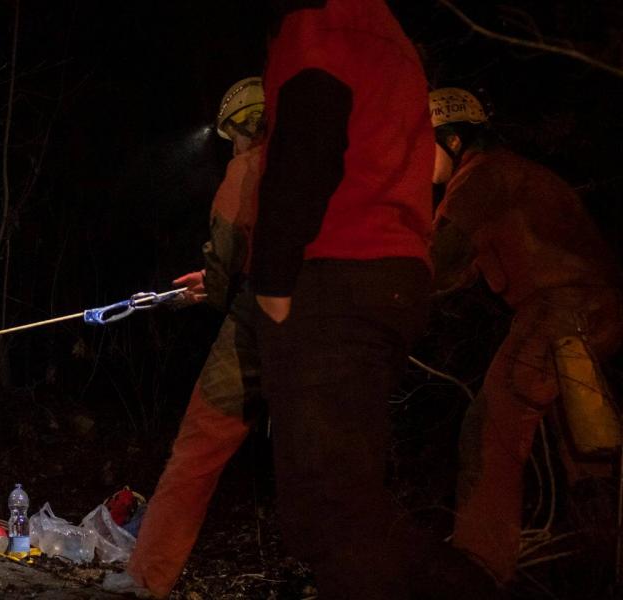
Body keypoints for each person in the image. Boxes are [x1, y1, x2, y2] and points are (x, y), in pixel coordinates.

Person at [250, 2, 499, 598]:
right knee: (346, 502)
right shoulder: (391, 36)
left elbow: (310, 134)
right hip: (391, 274)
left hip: (337, 269)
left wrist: (273, 280)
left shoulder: (326, 21)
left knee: (327, 510)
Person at [429, 87, 623, 585]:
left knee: (490, 428)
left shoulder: (476, 180)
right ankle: (596, 550)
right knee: (584, 437)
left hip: (557, 311)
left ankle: (479, 567)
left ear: (450, 140)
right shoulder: (527, 173)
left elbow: (438, 267)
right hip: (602, 309)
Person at [104, 76, 265, 599]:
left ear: (243, 127)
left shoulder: (245, 169)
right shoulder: (318, 167)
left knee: (198, 446)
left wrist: (213, 283)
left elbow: (226, 274)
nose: (230, 147)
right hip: (326, 319)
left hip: (258, 321)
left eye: (232, 136)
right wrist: (210, 279)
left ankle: (147, 578)